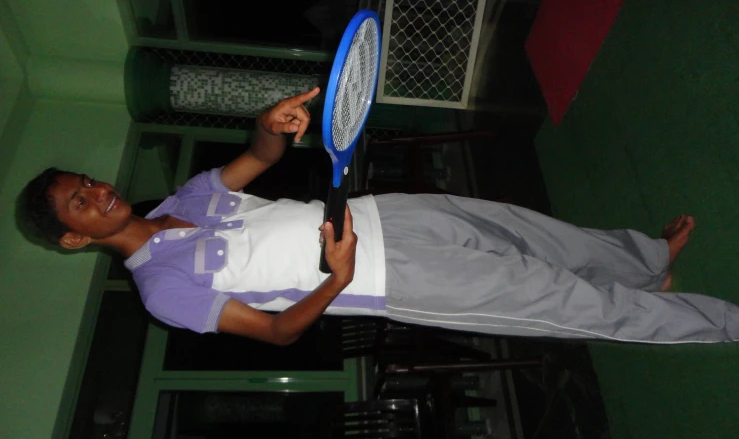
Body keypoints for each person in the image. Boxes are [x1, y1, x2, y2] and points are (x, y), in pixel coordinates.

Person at [17, 89, 739, 346]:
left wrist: (269, 124)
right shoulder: (162, 291)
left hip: (390, 215)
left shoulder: (185, 201)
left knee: (533, 233)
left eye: (88, 180)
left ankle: (645, 262)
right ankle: (719, 322)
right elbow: (274, 331)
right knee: (563, 304)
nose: (100, 191)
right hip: (390, 276)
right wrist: (333, 280)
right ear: (76, 238)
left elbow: (257, 158)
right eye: (81, 202)